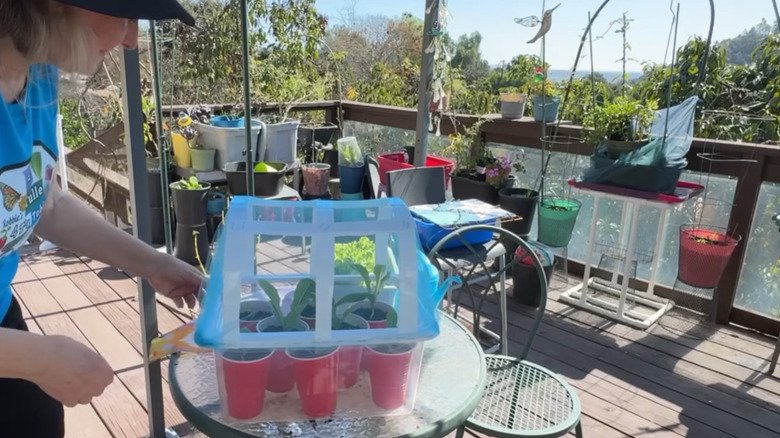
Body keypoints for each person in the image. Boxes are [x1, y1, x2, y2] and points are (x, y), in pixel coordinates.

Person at [0, 1, 200, 436]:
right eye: (126, 15)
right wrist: (38, 358)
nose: (131, 38)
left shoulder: (38, 75)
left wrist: (155, 264)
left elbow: (42, 200)